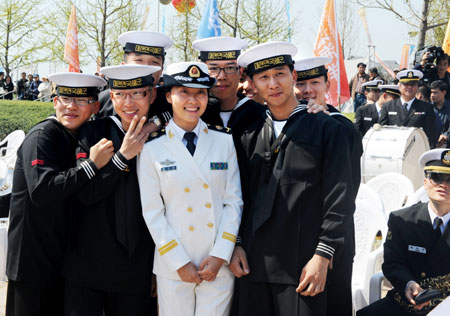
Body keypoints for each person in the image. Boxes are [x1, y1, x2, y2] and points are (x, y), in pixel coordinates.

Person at [232, 42, 353, 316]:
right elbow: (239, 197)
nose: (273, 84)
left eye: (280, 74)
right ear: (252, 83)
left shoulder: (326, 129)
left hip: (302, 266)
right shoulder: (247, 135)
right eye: (263, 77)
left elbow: (340, 197)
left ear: (294, 76)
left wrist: (323, 255)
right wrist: (237, 244)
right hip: (252, 263)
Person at [137, 61, 243, 316]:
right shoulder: (151, 148)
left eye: (200, 93)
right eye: (184, 92)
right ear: (169, 95)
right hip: (173, 265)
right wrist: (179, 262)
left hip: (216, 262)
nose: (193, 100)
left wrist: (221, 254)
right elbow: (152, 212)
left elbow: (233, 202)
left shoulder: (223, 140)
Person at [6, 72, 109, 316]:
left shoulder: (79, 136)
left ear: (95, 106)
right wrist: (91, 166)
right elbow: (42, 191)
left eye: (81, 101)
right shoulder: (43, 136)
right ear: (55, 102)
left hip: (59, 261)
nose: (71, 107)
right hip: (32, 264)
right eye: (65, 99)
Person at [63, 64, 160, 316]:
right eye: (120, 95)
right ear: (111, 96)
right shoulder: (94, 132)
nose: (129, 103)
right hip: (90, 262)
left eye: (137, 93)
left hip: (139, 264)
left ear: (152, 94)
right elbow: (86, 193)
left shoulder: (162, 136)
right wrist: (122, 157)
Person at [293, 56, 362, 316]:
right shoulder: (289, 122)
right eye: (300, 83)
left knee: (333, 304)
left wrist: (329, 246)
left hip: (334, 237)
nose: (307, 90)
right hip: (299, 235)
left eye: (315, 82)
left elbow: (347, 191)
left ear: (327, 85)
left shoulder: (341, 127)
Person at [357, 148, 450, 316]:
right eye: (437, 177)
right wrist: (408, 284)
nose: (443, 184)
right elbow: (392, 263)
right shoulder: (402, 220)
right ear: (425, 181)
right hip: (407, 300)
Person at [96, 30, 173, 130]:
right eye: (139, 61)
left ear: (162, 69)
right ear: (124, 65)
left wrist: (157, 122)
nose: (147, 68)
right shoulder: (104, 101)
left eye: (154, 62)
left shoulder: (170, 98)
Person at [192, 36, 266, 139]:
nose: (222, 77)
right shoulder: (192, 113)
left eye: (230, 68)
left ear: (240, 72)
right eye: (213, 68)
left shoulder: (260, 115)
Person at [379, 69, 437, 148]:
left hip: (416, 150)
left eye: (413, 84)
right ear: (399, 86)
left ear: (417, 87)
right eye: (406, 84)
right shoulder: (388, 106)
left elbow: (431, 134)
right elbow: (382, 131)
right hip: (393, 149)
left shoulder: (426, 108)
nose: (409, 87)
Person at [430, 81, 450, 148]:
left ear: (443, 92)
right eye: (431, 92)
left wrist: (445, 135)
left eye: (435, 92)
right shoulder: (428, 108)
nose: (432, 95)